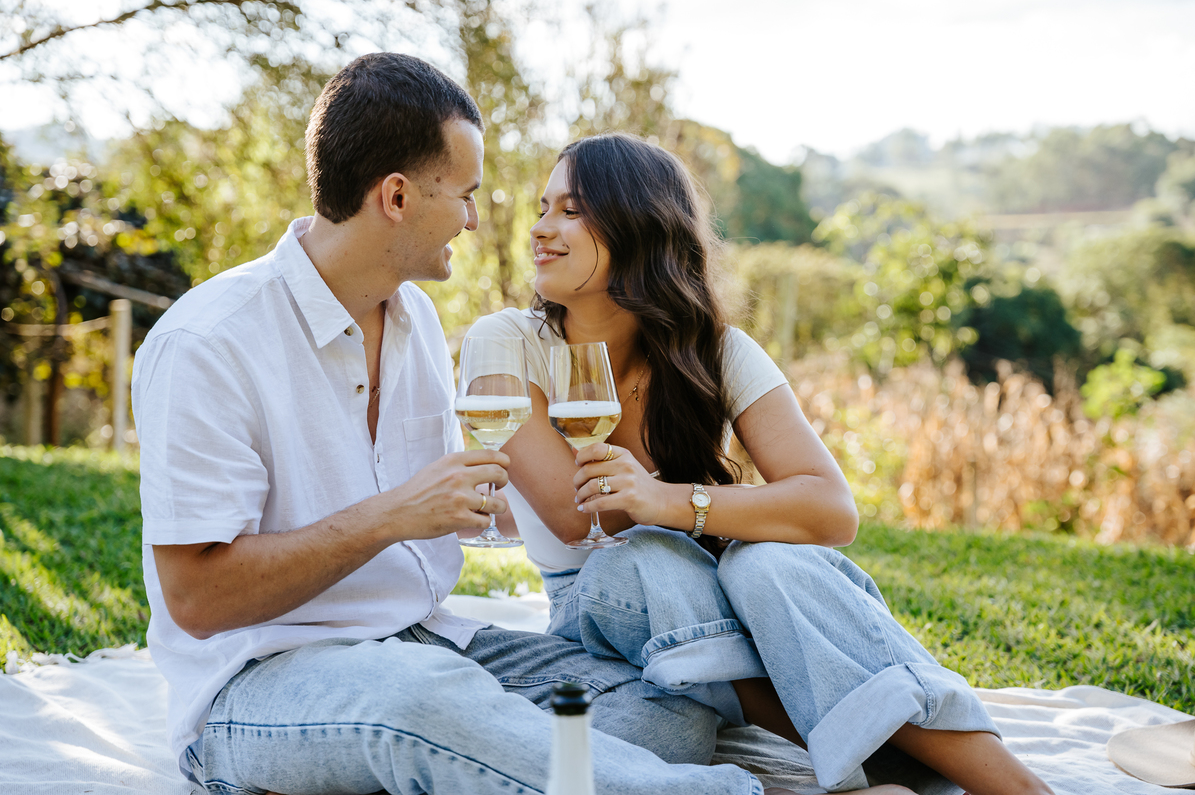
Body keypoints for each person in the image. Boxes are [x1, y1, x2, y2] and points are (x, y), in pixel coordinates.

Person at [132, 53, 802, 795]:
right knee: (424, 706)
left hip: (428, 642)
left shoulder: (414, 317)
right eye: (466, 195)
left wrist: (545, 501)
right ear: (395, 196)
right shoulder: (209, 342)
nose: (476, 219)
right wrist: (395, 515)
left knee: (660, 714)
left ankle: (446, 769)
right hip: (261, 681)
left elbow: (453, 499)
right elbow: (196, 599)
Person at [466, 133, 1055, 795]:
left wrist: (668, 501)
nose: (540, 229)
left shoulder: (715, 352)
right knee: (645, 560)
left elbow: (831, 510)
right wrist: (674, 515)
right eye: (543, 208)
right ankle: (907, 764)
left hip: (723, 609)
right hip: (596, 607)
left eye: (570, 210)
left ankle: (1019, 789)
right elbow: (577, 519)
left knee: (769, 563)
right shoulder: (506, 342)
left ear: (638, 226)